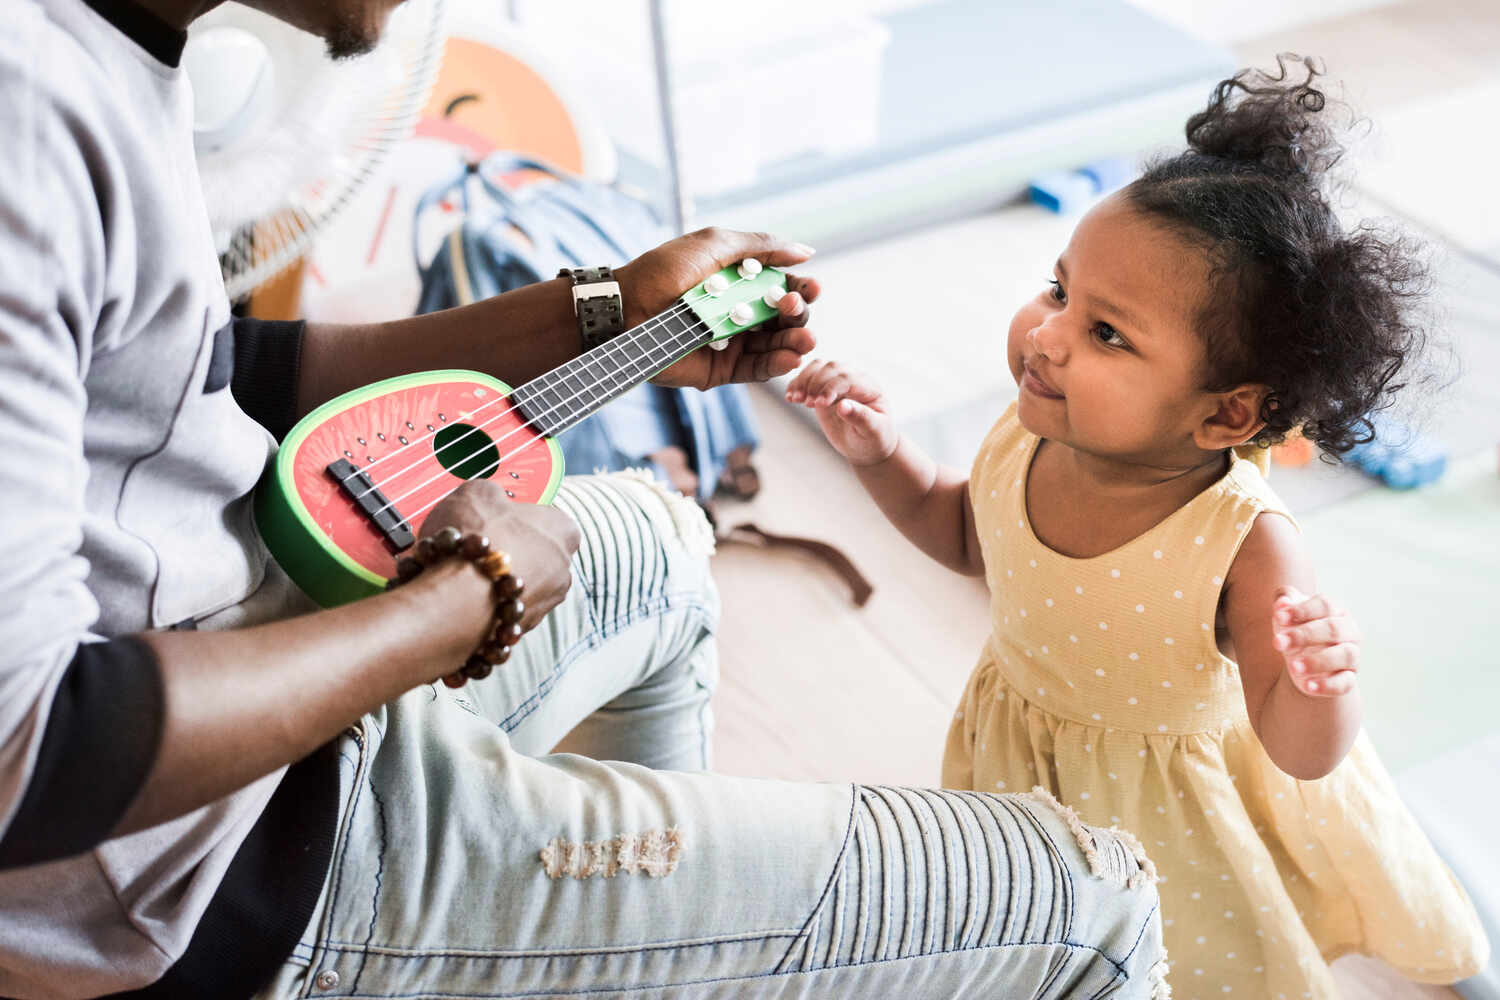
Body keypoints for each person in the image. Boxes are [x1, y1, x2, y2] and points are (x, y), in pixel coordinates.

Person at [0, 0, 1168, 997]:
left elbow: (202, 375)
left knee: (662, 537)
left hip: (267, 643)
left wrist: (602, 313)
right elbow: (32, 750)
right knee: (1091, 900)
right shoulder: (27, 125)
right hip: (200, 869)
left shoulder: (109, 54)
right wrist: (461, 604)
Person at [785, 58, 1490, 998]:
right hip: (1020, 761)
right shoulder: (1031, 426)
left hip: (1169, 825)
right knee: (1018, 937)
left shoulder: (1243, 542)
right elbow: (965, 537)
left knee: (1170, 972)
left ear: (1227, 417)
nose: (1047, 336)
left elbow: (1300, 749)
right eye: (1057, 289)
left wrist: (1323, 685)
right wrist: (883, 458)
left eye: (1108, 334)